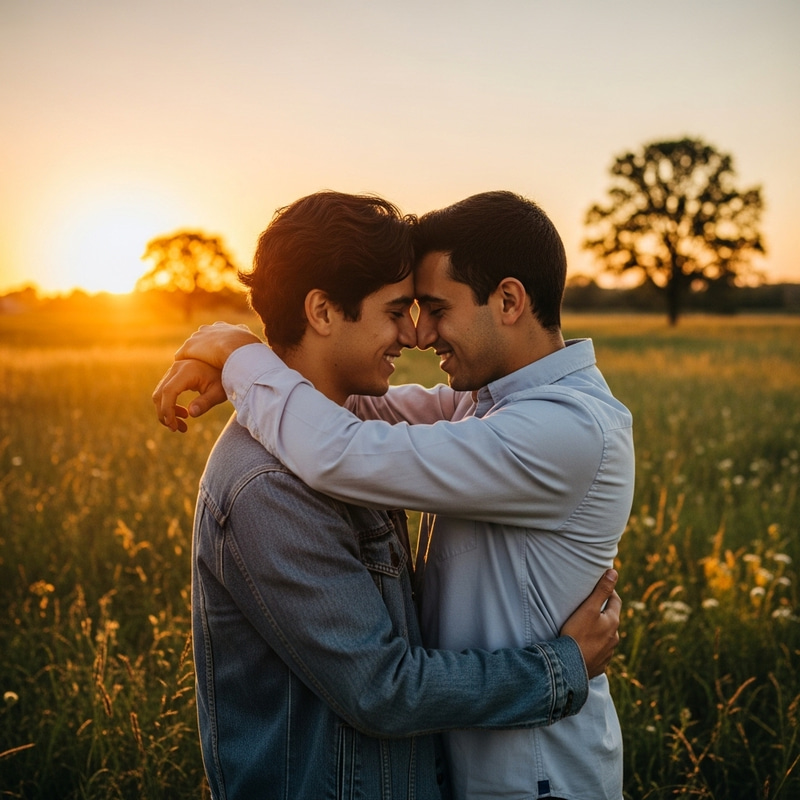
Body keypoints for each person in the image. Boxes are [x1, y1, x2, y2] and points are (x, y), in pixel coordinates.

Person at [159, 190, 622, 800]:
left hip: (537, 776)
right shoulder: (270, 484)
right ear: (323, 311)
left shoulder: (560, 428)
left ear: (508, 300)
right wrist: (246, 360)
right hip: (487, 763)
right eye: (402, 308)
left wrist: (241, 357)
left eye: (432, 307)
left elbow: (343, 446)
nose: (418, 333)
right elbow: (359, 422)